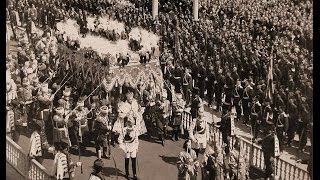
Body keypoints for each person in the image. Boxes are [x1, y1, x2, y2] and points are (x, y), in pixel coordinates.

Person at [118, 115, 139, 180]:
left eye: (132, 123)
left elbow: (136, 139)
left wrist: (136, 147)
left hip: (133, 147)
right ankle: (127, 174)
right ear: (127, 123)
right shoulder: (124, 130)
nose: (131, 125)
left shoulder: (135, 129)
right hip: (126, 147)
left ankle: (134, 175)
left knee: (134, 161)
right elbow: (120, 139)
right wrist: (123, 147)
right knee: (127, 161)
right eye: (130, 123)